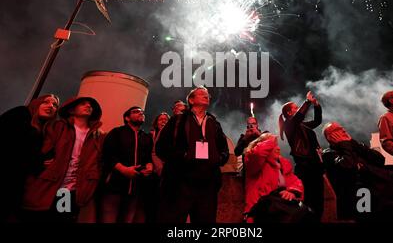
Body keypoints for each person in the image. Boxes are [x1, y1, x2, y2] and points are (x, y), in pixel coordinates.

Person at [323, 121, 393, 222]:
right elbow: (349, 166)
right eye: (337, 130)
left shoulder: (354, 146)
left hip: (384, 186)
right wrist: (345, 145)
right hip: (363, 195)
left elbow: (380, 160)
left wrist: (353, 143)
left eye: (342, 127)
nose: (343, 129)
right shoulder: (328, 154)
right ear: (330, 137)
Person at [22, 96, 105, 223]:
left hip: (68, 190)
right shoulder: (57, 126)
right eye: (83, 104)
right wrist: (41, 161)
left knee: (61, 218)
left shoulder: (98, 135)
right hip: (47, 183)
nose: (88, 106)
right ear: (71, 110)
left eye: (90, 105)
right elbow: (42, 149)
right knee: (36, 216)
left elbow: (99, 161)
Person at [156, 86, 229, 223]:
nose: (206, 95)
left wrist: (218, 159)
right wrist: (182, 157)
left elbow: (223, 148)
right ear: (191, 100)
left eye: (208, 94)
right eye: (201, 93)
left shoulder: (214, 123)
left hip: (207, 183)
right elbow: (161, 147)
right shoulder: (177, 120)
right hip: (180, 182)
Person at [0, 94, 59, 222]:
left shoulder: (45, 130)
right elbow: (10, 145)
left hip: (15, 182)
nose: (51, 106)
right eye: (46, 102)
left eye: (55, 105)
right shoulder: (20, 114)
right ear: (36, 104)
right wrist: (37, 161)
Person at [99, 106, 153, 223]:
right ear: (127, 118)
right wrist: (123, 169)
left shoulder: (147, 137)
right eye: (136, 112)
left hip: (136, 188)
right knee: (109, 219)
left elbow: (148, 157)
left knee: (128, 219)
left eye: (142, 112)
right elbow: (107, 155)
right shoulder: (116, 132)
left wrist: (149, 166)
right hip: (114, 185)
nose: (140, 113)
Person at [244, 133, 312, 223]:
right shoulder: (253, 161)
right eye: (274, 145)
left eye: (277, 145)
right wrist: (271, 140)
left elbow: (295, 181)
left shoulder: (283, 164)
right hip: (259, 213)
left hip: (281, 212)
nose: (278, 148)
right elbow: (258, 153)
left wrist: (291, 192)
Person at [278, 91, 324, 220]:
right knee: (309, 198)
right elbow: (298, 117)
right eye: (295, 108)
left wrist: (316, 105)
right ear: (289, 113)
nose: (298, 110)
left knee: (319, 199)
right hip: (305, 166)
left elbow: (317, 121)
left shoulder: (302, 125)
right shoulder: (289, 125)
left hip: (315, 164)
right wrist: (307, 101)